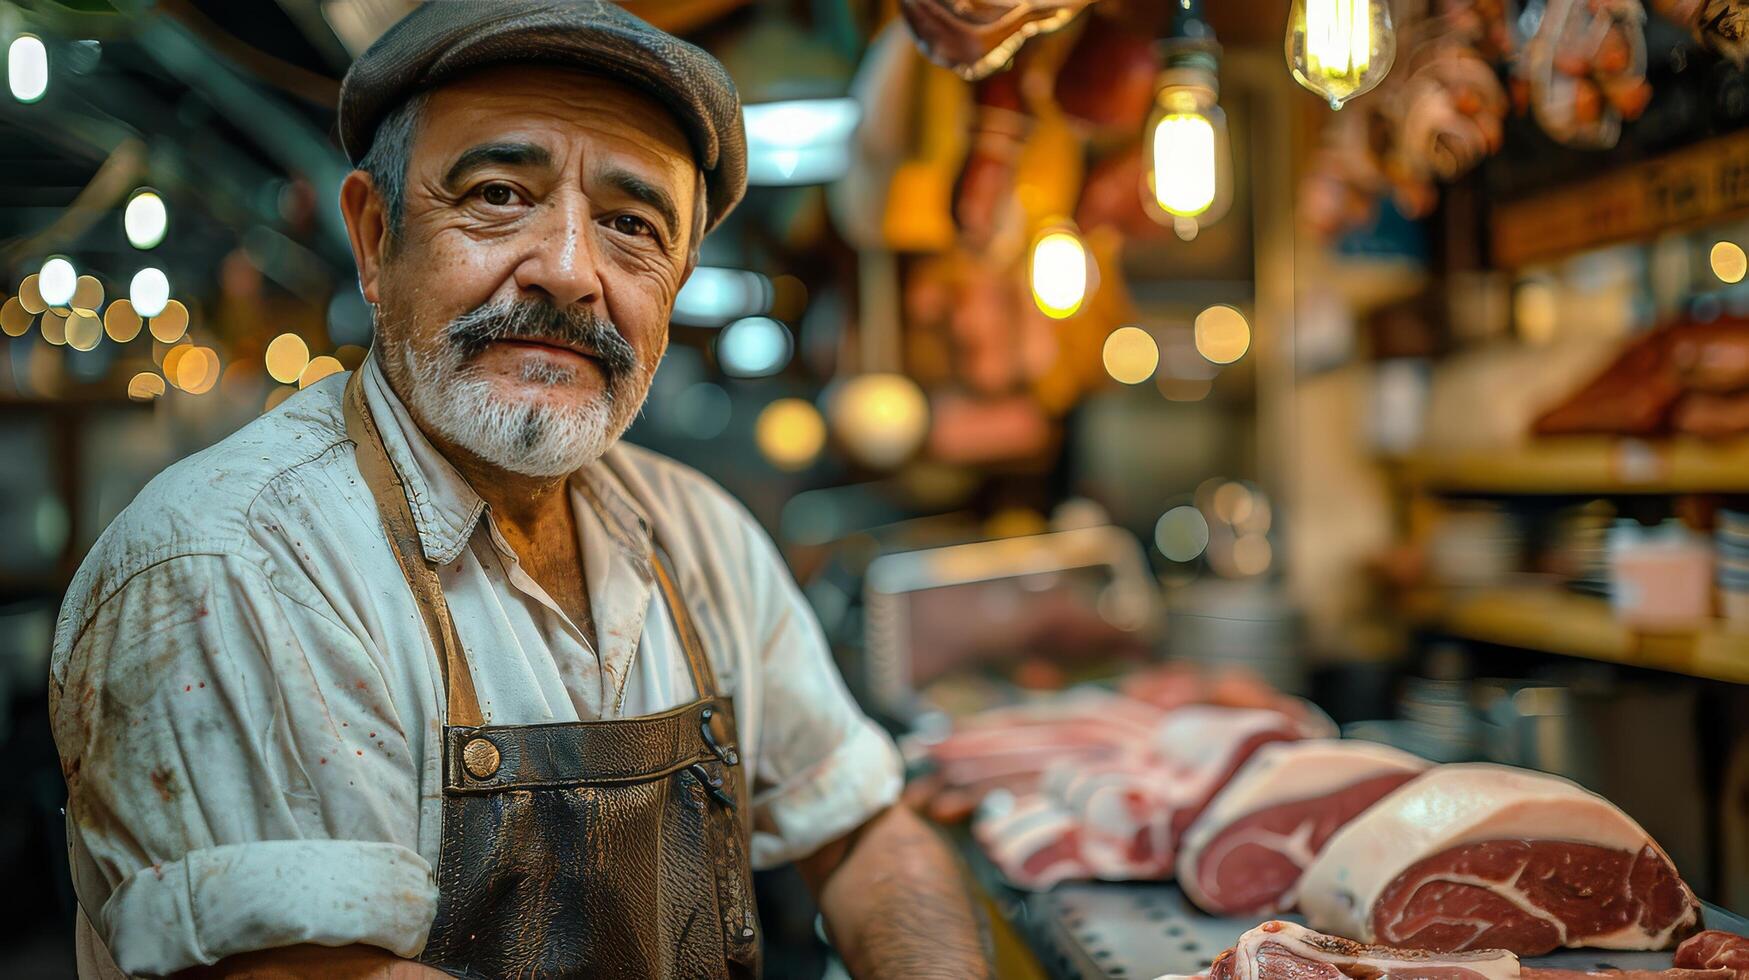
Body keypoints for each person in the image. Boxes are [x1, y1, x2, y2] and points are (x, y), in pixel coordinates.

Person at [49, 3, 990, 977]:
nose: (571, 271)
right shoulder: (234, 563)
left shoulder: (699, 533)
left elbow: (870, 833)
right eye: (500, 193)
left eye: (631, 225)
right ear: (376, 239)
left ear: (675, 281)